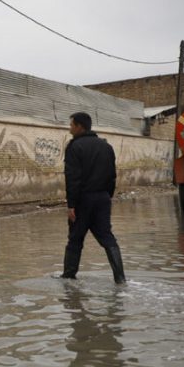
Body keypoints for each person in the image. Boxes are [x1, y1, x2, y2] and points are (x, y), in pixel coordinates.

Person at [61, 112, 126, 284]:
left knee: (75, 238)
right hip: (103, 199)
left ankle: (68, 278)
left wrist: (71, 205)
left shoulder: (74, 147)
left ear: (79, 126)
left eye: (71, 125)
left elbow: (72, 178)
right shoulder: (106, 147)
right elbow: (112, 176)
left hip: (82, 200)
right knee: (107, 237)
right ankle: (120, 279)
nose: (69, 129)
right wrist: (106, 197)